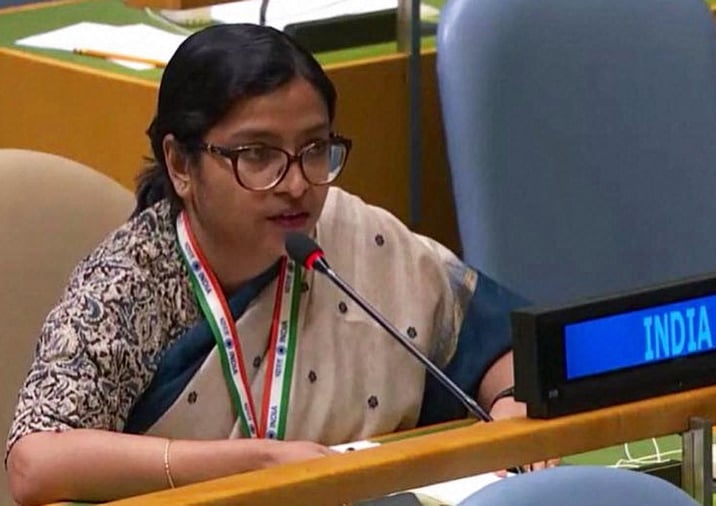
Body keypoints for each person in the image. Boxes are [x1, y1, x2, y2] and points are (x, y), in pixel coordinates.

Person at [5, 23, 534, 505]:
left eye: (314, 149)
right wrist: (252, 464)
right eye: (258, 155)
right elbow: (36, 461)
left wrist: (512, 405)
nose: (298, 183)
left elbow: (492, 338)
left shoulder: (351, 238)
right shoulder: (132, 281)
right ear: (180, 164)